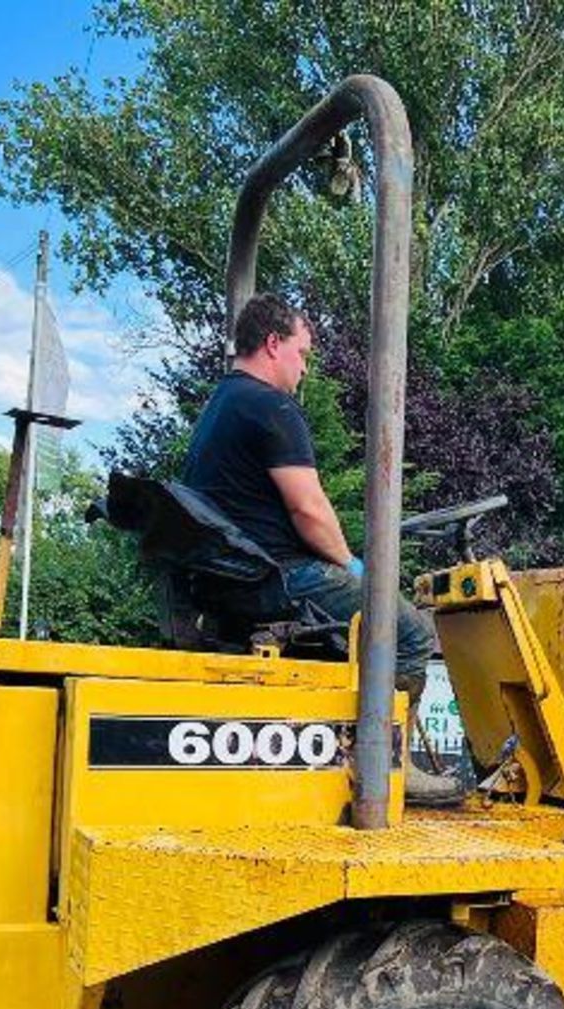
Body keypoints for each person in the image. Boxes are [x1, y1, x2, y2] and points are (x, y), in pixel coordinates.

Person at [179, 294, 462, 805]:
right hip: (278, 578)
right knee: (411, 632)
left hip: (236, 579)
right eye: (302, 353)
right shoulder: (271, 406)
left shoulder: (221, 404)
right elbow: (309, 512)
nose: (305, 368)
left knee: (372, 620)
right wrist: (352, 565)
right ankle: (386, 761)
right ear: (272, 344)